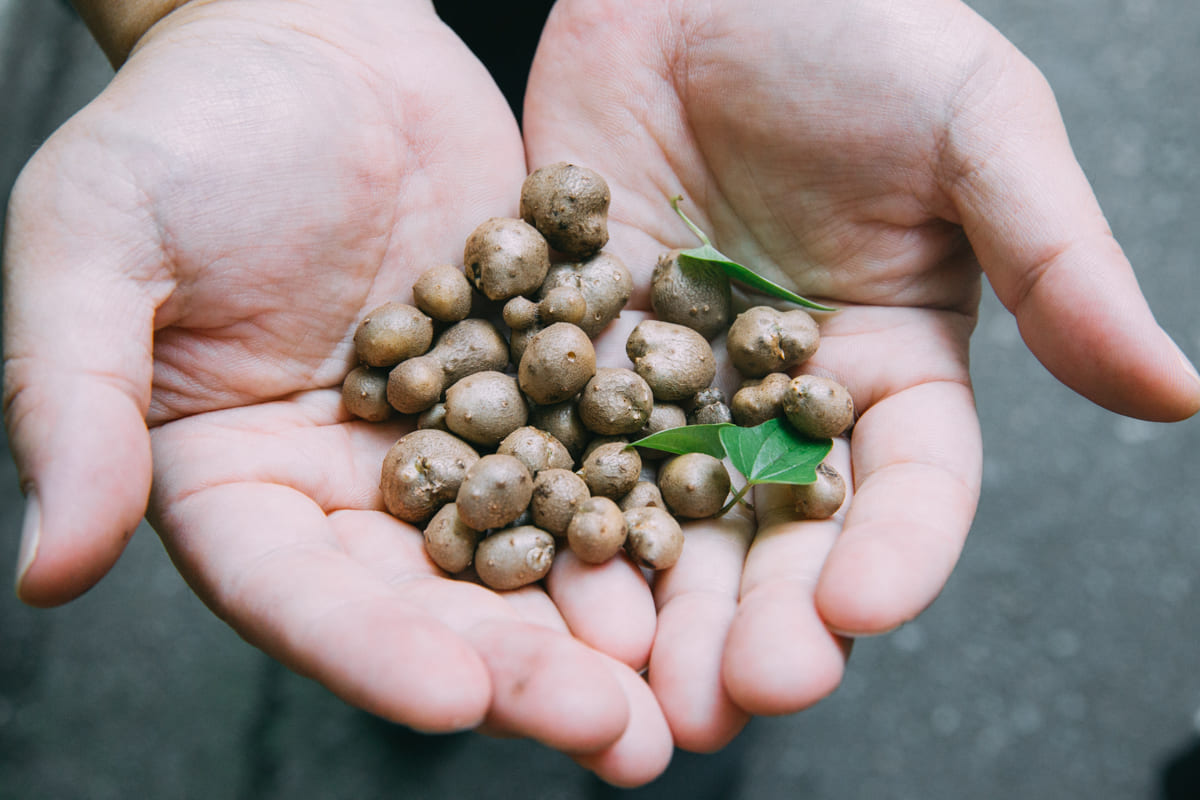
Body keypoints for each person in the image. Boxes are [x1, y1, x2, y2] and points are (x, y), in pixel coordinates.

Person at [5, 0, 1198, 788]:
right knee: (468, 647)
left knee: (719, 642)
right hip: (374, 55)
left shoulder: (656, 369)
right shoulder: (505, 366)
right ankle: (470, 711)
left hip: (680, 58)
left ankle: (671, 736)